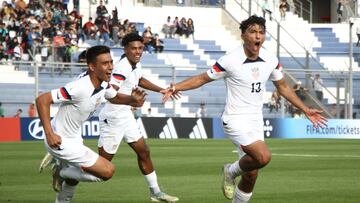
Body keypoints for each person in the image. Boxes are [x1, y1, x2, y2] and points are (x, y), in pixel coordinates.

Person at [162, 15, 327, 203]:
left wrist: (305, 109)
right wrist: (176, 87)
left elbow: (283, 87)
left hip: (255, 121)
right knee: (263, 157)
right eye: (253, 32)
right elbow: (202, 78)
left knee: (251, 174)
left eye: (261, 32)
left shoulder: (271, 59)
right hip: (234, 119)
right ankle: (230, 171)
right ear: (243, 35)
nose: (258, 36)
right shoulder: (230, 60)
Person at [37, 45, 146, 203]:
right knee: (107, 171)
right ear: (92, 67)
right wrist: (50, 134)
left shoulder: (103, 84)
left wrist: (132, 100)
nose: (110, 68)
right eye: (105, 63)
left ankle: (62, 195)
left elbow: (113, 97)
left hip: (74, 137)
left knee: (74, 179)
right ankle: (61, 172)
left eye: (111, 62)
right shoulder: (80, 87)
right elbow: (42, 100)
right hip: (59, 139)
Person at [97, 33, 179, 202]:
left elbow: (139, 79)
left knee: (144, 152)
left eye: (140, 48)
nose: (137, 51)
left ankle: (155, 192)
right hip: (113, 117)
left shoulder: (135, 64)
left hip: (125, 115)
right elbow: (109, 93)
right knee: (101, 167)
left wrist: (161, 90)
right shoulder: (122, 67)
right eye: (133, 48)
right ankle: (67, 165)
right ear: (125, 49)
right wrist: (132, 100)